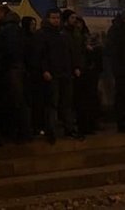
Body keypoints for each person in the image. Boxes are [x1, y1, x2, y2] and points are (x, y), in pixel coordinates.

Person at [28, 8, 83, 144]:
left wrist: (75, 66)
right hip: (52, 74)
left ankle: (69, 129)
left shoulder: (62, 34)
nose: (56, 20)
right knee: (52, 103)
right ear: (47, 19)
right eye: (53, 18)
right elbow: (39, 55)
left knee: (66, 103)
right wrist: (44, 70)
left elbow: (70, 52)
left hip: (65, 73)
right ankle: (51, 131)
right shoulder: (42, 35)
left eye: (58, 18)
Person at [0, 10, 30, 142]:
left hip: (11, 69)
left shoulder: (6, 31)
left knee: (14, 101)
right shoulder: (20, 31)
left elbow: (5, 50)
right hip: (21, 68)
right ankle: (24, 132)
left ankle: (16, 133)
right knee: (22, 102)